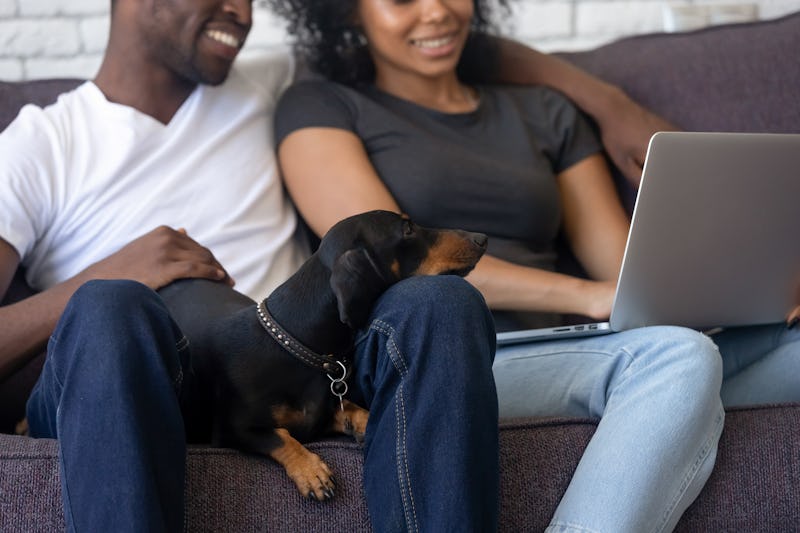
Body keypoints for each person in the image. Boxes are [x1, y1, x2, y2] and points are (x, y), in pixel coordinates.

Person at [0, 0, 693, 532]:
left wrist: (610, 103)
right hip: (131, 370)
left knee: (439, 301)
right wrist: (102, 277)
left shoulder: (268, 84)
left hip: (287, 365)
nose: (243, 13)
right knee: (112, 305)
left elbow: (450, 39)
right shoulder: (38, 147)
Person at [266, 1, 743, 532]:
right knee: (679, 359)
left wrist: (745, 289)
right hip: (444, 357)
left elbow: (625, 265)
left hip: (581, 344)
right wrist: (589, 295)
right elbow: (388, 264)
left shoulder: (543, 110)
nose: (436, 12)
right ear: (348, 13)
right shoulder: (321, 107)